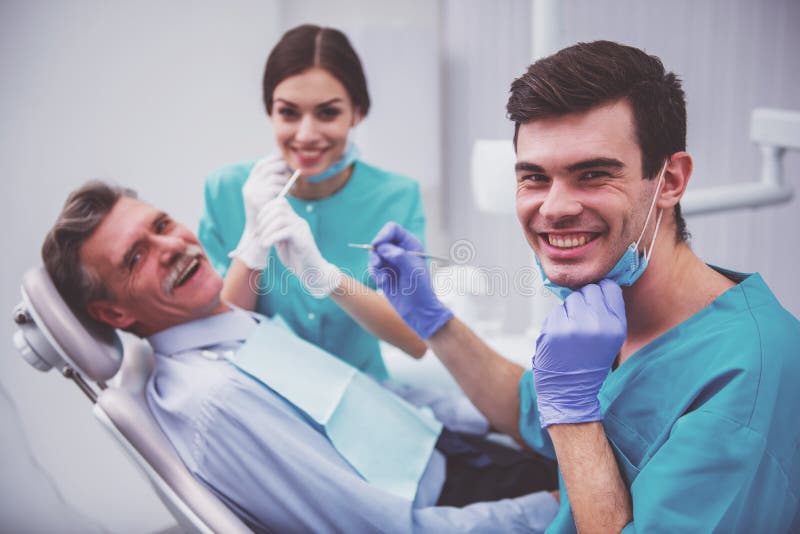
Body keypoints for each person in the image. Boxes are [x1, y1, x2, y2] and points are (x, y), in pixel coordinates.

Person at [369, 40, 800, 533]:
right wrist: (434, 321)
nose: (553, 208)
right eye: (534, 177)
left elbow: (562, 421)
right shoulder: (611, 315)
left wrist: (574, 416)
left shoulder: (748, 380)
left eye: (592, 174)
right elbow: (528, 412)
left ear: (671, 180)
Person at [42, 181, 560, 533]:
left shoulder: (232, 332)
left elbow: (369, 402)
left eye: (162, 224)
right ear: (112, 313)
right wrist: (552, 512)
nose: (171, 245)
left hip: (460, 461)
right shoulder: (215, 402)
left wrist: (509, 420)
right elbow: (378, 528)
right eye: (136, 257)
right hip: (462, 510)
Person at [199, 24, 426, 380]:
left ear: (358, 112)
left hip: (364, 400)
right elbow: (215, 340)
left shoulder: (396, 197)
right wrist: (252, 245)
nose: (306, 135)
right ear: (270, 112)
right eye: (288, 113)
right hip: (262, 398)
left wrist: (327, 278)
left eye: (327, 113)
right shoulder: (226, 189)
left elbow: (417, 340)